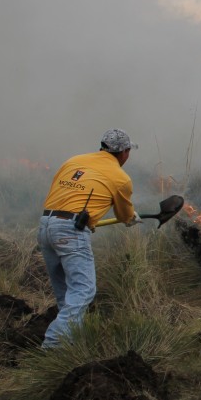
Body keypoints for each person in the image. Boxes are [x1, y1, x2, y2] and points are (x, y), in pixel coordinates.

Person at [38, 129, 141, 348]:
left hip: (46, 224)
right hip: (70, 231)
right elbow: (124, 216)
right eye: (129, 151)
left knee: (66, 295)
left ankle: (73, 347)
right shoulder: (120, 178)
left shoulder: (74, 161)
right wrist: (131, 218)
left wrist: (87, 221)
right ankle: (53, 347)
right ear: (123, 152)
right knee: (84, 290)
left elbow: (64, 194)